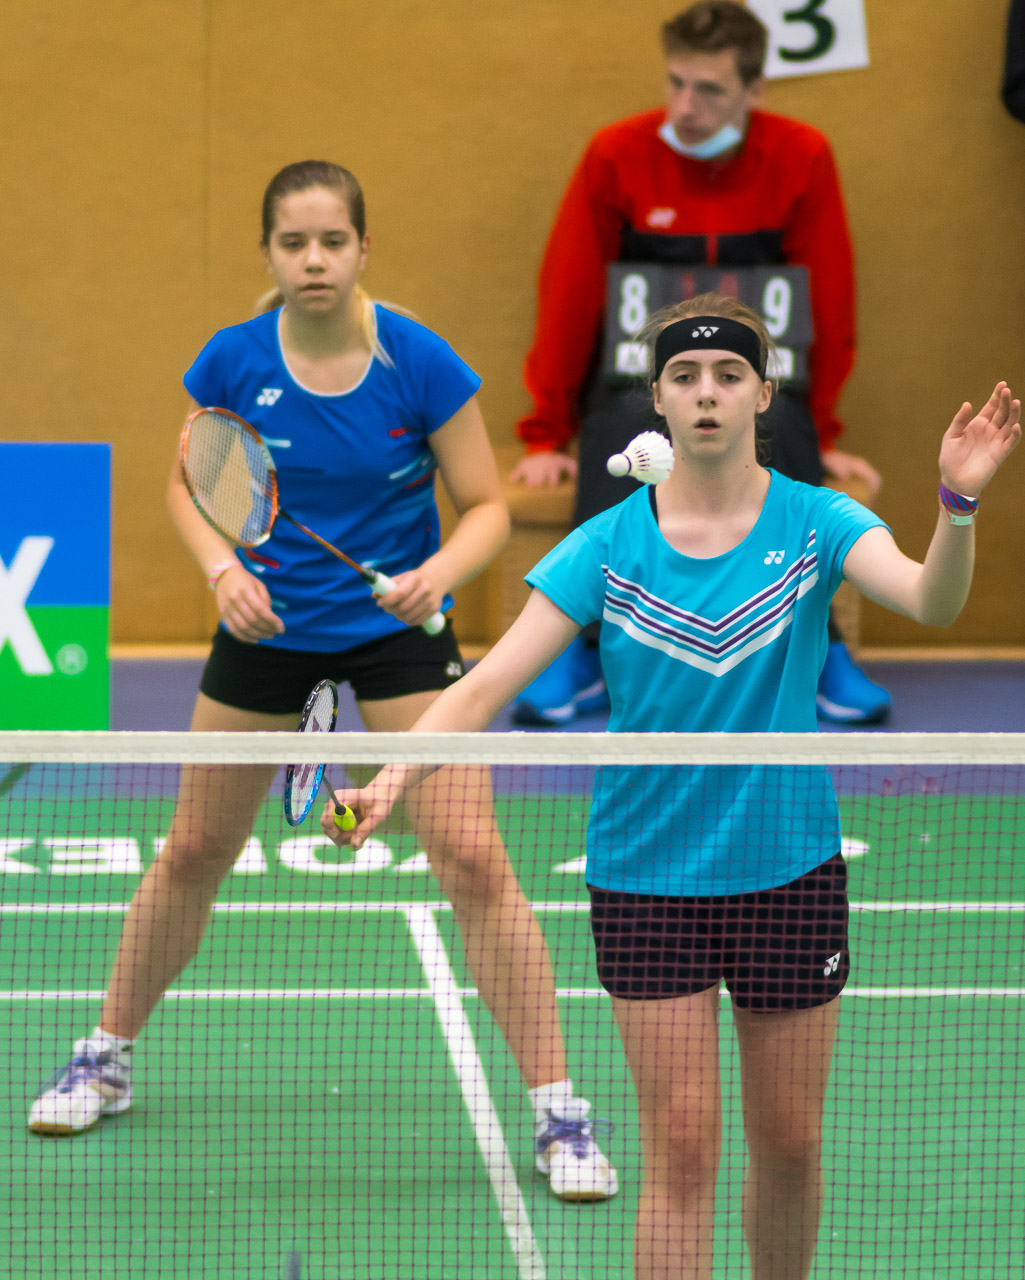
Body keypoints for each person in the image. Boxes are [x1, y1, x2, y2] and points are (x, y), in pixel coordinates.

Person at [321, 294, 1020, 1278]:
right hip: (645, 876)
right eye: (684, 376)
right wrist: (392, 775)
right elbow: (479, 685)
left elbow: (929, 600)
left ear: (762, 394)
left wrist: (955, 504)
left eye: (728, 375)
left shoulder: (816, 522)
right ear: (655, 396)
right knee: (681, 1150)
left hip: (787, 866)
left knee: (789, 1143)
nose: (705, 392)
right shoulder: (608, 544)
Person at [28, 160, 617, 1203]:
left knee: (473, 857)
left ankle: (559, 1111)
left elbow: (485, 506)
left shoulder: (418, 362)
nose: (313, 260)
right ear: (268, 252)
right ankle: (103, 1057)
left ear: (362, 248)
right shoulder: (234, 358)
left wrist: (440, 572)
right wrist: (222, 572)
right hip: (268, 626)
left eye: (332, 241)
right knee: (194, 848)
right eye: (293, 243)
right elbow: (187, 483)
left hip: (398, 634)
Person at [510, 0, 889, 728]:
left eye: (709, 90)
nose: (685, 107)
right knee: (620, 427)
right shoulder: (615, 154)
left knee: (785, 424)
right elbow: (569, 295)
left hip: (758, 385)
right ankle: (586, 645)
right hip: (640, 383)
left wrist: (827, 429)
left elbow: (830, 301)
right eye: (676, 83)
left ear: (754, 89)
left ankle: (819, 647)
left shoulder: (802, 155)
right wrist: (544, 431)